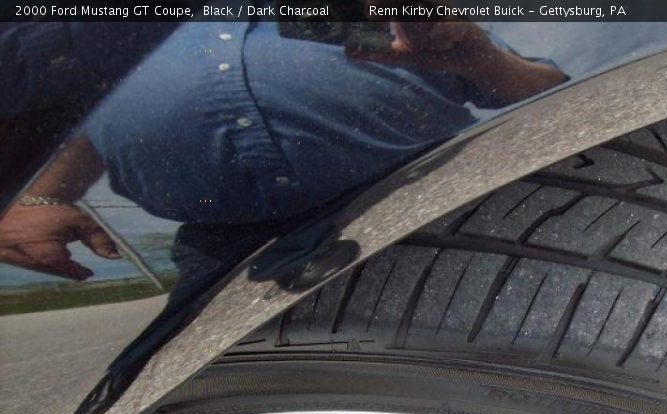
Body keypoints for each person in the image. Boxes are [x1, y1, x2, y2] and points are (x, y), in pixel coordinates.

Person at [0, 19, 567, 282]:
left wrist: (479, 57)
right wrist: (44, 198)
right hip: (224, 254)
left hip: (438, 199)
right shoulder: (104, 34)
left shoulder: (385, 7)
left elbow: (554, 96)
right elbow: (90, 126)